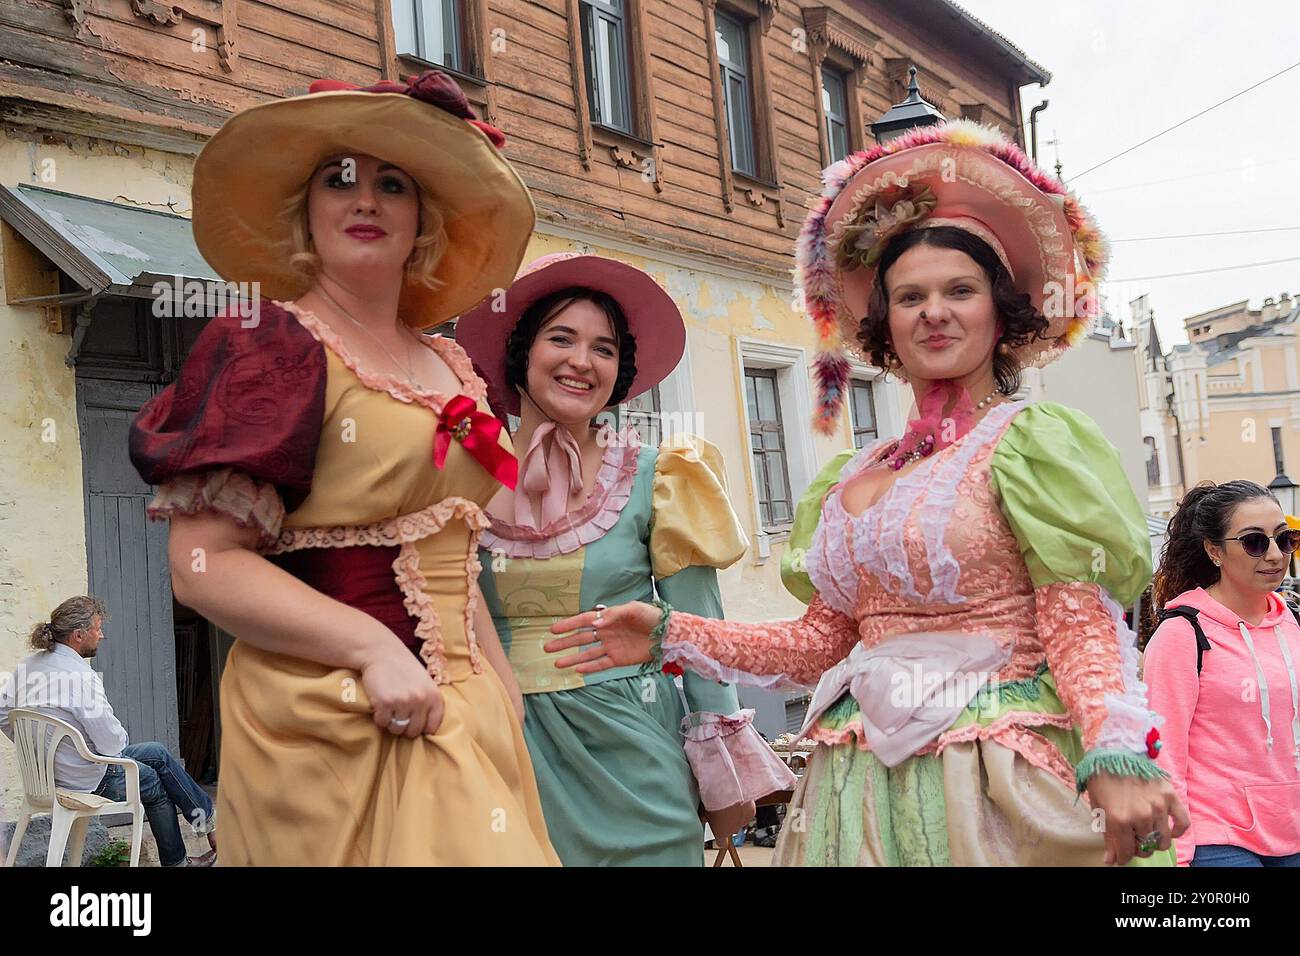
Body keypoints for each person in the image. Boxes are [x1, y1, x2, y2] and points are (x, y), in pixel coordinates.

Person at [545, 120, 1188, 866]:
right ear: (885, 322)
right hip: (861, 785)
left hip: (995, 777)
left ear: (1000, 310)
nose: (934, 312)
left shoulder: (1033, 443)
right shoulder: (852, 477)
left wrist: (1114, 751)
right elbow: (818, 645)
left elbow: (1079, 625)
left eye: (960, 291)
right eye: (910, 296)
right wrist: (668, 633)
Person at [128, 71, 558, 865]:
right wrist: (373, 648)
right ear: (308, 211)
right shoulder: (270, 343)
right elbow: (202, 564)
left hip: (470, 715)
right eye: (341, 181)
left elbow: (458, 554)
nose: (365, 201)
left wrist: (505, 693)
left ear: (422, 220)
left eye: (392, 185)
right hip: (334, 716)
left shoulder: (449, 363)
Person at [459, 252, 794, 865]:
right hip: (495, 743)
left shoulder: (661, 475)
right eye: (561, 338)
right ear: (521, 352)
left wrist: (724, 774)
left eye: (604, 348)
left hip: (633, 748)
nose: (581, 362)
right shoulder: (459, 474)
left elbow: (699, 631)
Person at [1145, 481, 1300, 866]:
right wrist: (1176, 856)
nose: (1276, 554)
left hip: (1292, 830)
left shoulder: (1292, 624)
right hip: (1217, 838)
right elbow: (1162, 752)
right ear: (1214, 551)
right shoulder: (1182, 633)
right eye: (1254, 542)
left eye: (1285, 539)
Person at [0, 596, 216, 867]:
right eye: (97, 628)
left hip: (49, 776)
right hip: (88, 780)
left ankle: (208, 823)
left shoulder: (29, 666)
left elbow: (2, 713)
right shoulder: (80, 676)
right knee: (154, 783)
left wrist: (34, 749)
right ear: (78, 635)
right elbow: (112, 745)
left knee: (158, 753)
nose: (101, 635)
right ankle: (179, 862)